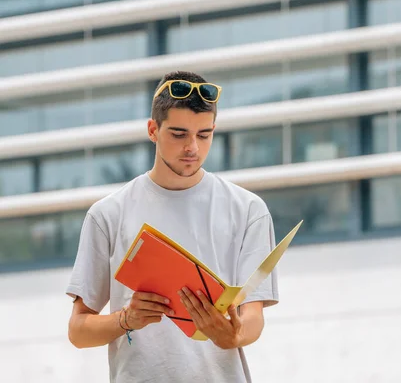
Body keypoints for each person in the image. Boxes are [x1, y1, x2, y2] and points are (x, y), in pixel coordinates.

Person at [66, 70, 278, 383]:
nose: (192, 147)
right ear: (153, 130)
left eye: (204, 135)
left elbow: (253, 318)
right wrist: (127, 319)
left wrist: (233, 336)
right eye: (178, 135)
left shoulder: (247, 210)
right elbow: (78, 331)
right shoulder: (108, 214)